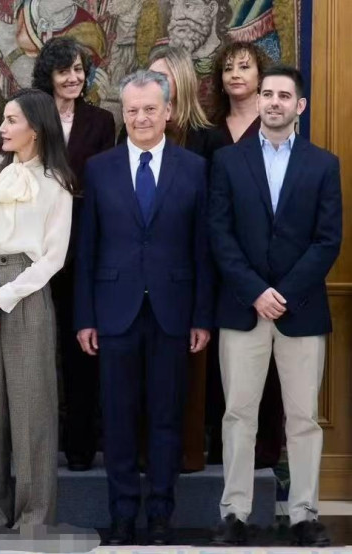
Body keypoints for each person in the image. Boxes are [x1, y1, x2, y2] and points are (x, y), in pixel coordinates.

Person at [75, 70, 213, 546]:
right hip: (114, 313)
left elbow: (203, 249)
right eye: (132, 110)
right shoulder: (100, 168)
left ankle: (159, 515)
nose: (140, 118)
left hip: (174, 313)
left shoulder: (194, 168)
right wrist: (85, 317)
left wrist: (201, 315)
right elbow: (87, 249)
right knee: (117, 419)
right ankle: (120, 516)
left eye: (150, 109)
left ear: (168, 111)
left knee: (166, 418)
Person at [209, 66, 341, 548]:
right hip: (243, 308)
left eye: (284, 95)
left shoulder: (323, 164)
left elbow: (327, 240)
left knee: (303, 419)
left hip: (301, 310)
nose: (274, 102)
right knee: (238, 416)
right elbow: (219, 234)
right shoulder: (227, 161)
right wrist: (255, 291)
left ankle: (304, 515)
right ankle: (234, 515)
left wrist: (283, 292)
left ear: (299, 106)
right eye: (267, 94)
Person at [0, 88, 74, 528]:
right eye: (4, 119)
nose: (2, 128)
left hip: (26, 291)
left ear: (36, 128)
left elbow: (53, 258)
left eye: (12, 120)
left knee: (32, 411)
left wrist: (1, 298)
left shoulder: (57, 180)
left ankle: (33, 522)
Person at [31, 36, 115, 471]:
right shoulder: (30, 114)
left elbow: (102, 184)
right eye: (64, 70)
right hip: (34, 248)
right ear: (49, 75)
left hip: (82, 249)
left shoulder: (101, 121)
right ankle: (36, 450)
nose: (73, 78)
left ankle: (81, 448)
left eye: (79, 70)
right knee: (36, 353)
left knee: (81, 348)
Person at [207, 41, 284, 470]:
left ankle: (266, 456)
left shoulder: (277, 125)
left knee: (269, 367)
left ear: (260, 76)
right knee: (225, 365)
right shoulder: (210, 132)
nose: (235, 75)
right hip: (221, 264)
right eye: (228, 68)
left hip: (269, 270)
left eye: (244, 67)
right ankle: (223, 453)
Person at [118, 46, 219, 161]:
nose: (152, 83)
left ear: (181, 80)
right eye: (149, 76)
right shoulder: (136, 125)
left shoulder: (209, 138)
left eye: (160, 77)